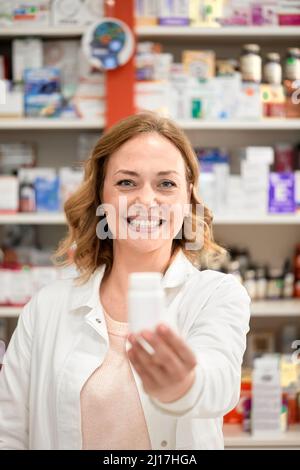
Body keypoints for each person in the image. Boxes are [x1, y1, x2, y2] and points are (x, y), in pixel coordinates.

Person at [0, 112, 250, 450]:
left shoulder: (216, 295)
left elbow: (218, 381)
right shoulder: (46, 308)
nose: (146, 200)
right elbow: (9, 432)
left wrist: (184, 383)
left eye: (166, 183)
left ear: (187, 196)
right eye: (126, 182)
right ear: (101, 193)